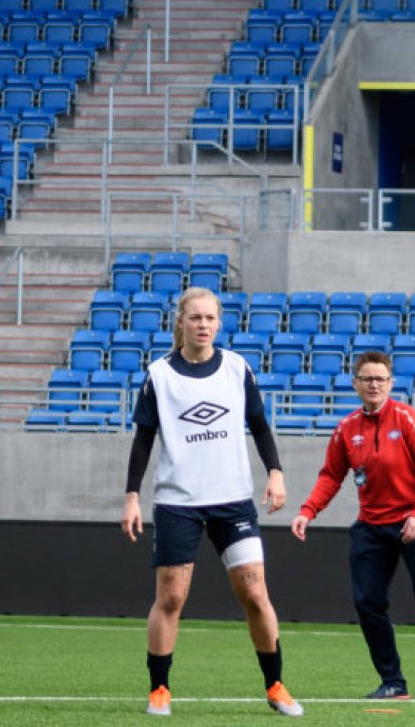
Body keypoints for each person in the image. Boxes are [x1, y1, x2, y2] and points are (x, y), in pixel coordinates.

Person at [120, 286, 303, 718]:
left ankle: (276, 685)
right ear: (180, 321)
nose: (203, 325)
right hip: (178, 503)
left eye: (210, 318)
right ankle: (159, 689)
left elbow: (259, 426)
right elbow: (143, 440)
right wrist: (131, 496)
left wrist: (276, 472)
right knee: (171, 597)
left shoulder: (237, 369)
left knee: (256, 594)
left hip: (233, 502)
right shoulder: (159, 375)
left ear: (219, 323)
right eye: (196, 317)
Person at [291, 350, 415, 702]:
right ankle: (393, 682)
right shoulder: (347, 429)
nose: (374, 384)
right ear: (355, 384)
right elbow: (331, 475)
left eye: (380, 379)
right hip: (371, 526)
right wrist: (308, 511)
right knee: (368, 602)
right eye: (367, 378)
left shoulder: (409, 420)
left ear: (391, 383)